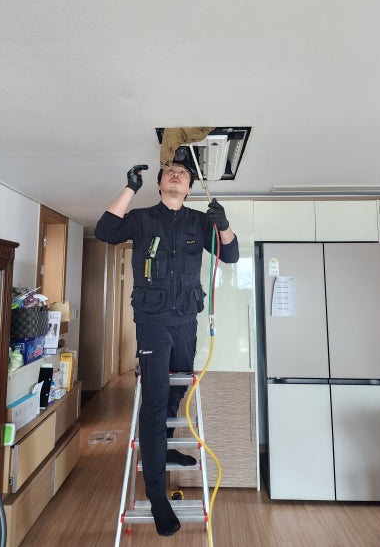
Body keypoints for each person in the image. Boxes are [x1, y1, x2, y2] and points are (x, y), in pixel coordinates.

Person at [94, 162, 239, 537]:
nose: (177, 174)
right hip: (153, 322)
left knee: (178, 388)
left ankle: (165, 447)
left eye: (183, 173)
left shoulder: (200, 222)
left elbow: (232, 254)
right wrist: (129, 188)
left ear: (189, 188)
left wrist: (223, 224)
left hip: (187, 320)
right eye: (170, 171)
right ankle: (157, 496)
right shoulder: (142, 218)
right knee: (156, 401)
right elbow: (104, 231)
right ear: (159, 184)